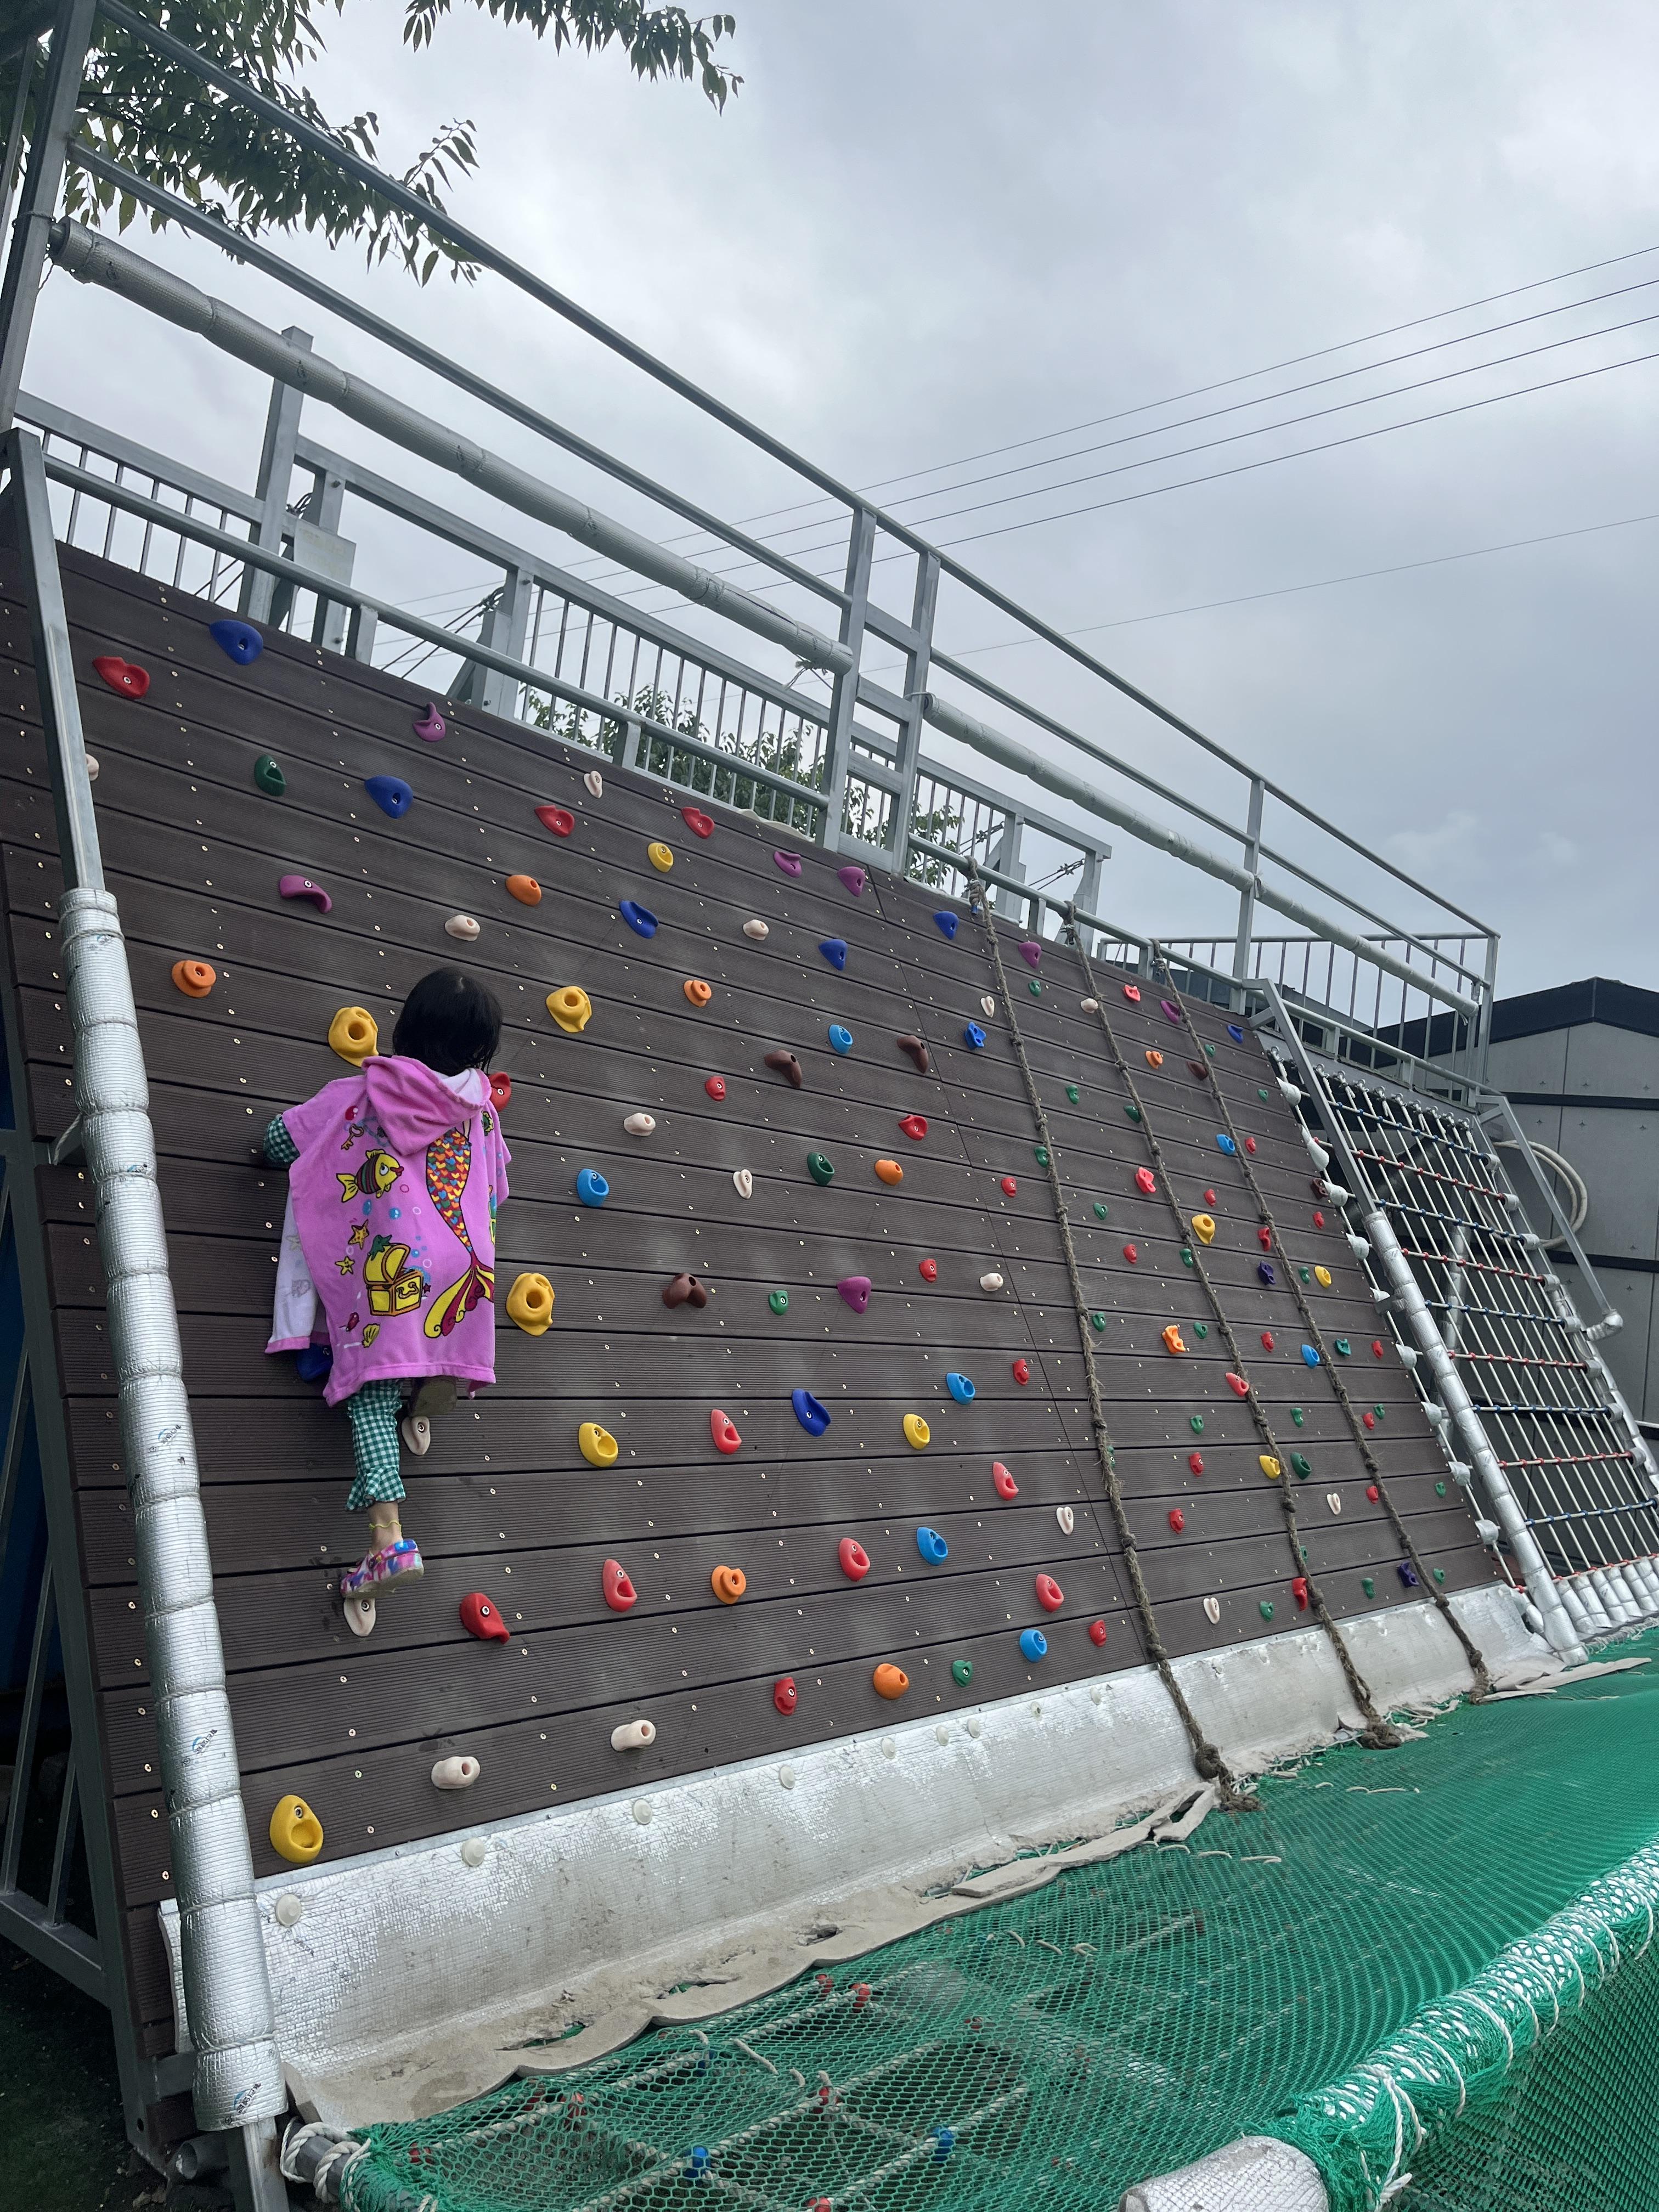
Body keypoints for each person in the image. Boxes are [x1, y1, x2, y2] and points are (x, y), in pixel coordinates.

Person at [263, 969, 509, 1602]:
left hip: (395, 1270)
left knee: (369, 1396)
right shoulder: (481, 1112)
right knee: (417, 1346)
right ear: (479, 1051)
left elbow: (280, 1142)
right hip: (464, 1264)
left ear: (407, 1026)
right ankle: (423, 1387)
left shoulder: (362, 1094)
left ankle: (388, 1541)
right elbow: (497, 1187)